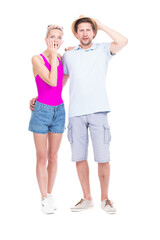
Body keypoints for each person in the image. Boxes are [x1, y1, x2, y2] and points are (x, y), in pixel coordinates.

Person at [62, 15, 128, 213]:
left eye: (88, 30)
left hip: (99, 111)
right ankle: (87, 198)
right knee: (79, 158)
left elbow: (123, 41)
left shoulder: (103, 49)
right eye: (81, 30)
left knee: (103, 158)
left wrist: (101, 24)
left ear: (93, 32)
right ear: (76, 33)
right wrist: (40, 98)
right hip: (76, 113)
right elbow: (61, 82)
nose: (84, 33)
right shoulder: (69, 55)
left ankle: (105, 199)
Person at [28, 25, 66, 214]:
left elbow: (59, 83)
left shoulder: (60, 58)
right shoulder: (37, 59)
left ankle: (49, 194)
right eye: (52, 37)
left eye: (59, 37)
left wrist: (60, 57)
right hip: (42, 111)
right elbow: (51, 81)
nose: (56, 40)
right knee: (42, 157)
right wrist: (53, 57)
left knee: (53, 156)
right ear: (46, 40)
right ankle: (43, 197)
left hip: (59, 110)